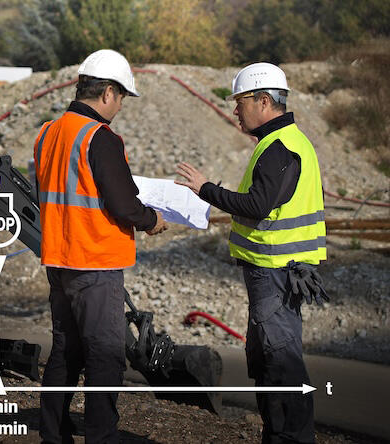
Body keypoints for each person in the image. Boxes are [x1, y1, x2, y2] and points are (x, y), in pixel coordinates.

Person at [175, 62, 327, 444]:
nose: (235, 111)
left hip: (274, 274)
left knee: (281, 366)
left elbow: (257, 204)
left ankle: (290, 438)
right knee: (268, 363)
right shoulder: (283, 143)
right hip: (276, 273)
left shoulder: (280, 148)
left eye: (240, 102)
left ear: (263, 100)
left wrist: (206, 189)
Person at [34, 49, 167, 444]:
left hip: (59, 260)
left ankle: (53, 436)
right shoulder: (101, 138)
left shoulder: (48, 132)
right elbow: (123, 203)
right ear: (108, 92)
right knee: (105, 358)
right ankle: (102, 437)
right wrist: (152, 220)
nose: (121, 106)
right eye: (123, 97)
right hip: (94, 264)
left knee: (65, 354)